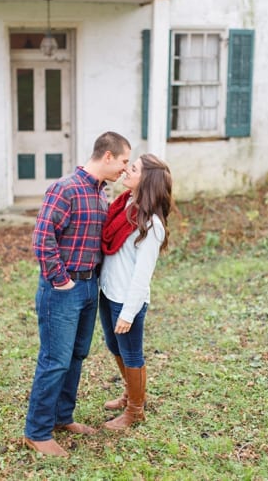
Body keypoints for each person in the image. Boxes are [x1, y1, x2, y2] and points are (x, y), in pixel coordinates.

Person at [24, 131, 131, 457]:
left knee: (76, 356)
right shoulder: (65, 188)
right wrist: (61, 281)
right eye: (124, 161)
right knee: (55, 360)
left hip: (88, 288)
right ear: (108, 156)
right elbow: (43, 239)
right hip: (63, 289)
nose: (125, 170)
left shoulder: (101, 195)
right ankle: (37, 431)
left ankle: (61, 417)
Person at [98, 153, 172, 431]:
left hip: (127, 300)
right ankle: (131, 393)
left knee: (131, 354)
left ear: (147, 179)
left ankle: (135, 411)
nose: (127, 170)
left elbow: (143, 275)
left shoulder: (151, 225)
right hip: (109, 291)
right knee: (113, 346)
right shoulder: (124, 205)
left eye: (134, 168)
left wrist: (128, 312)